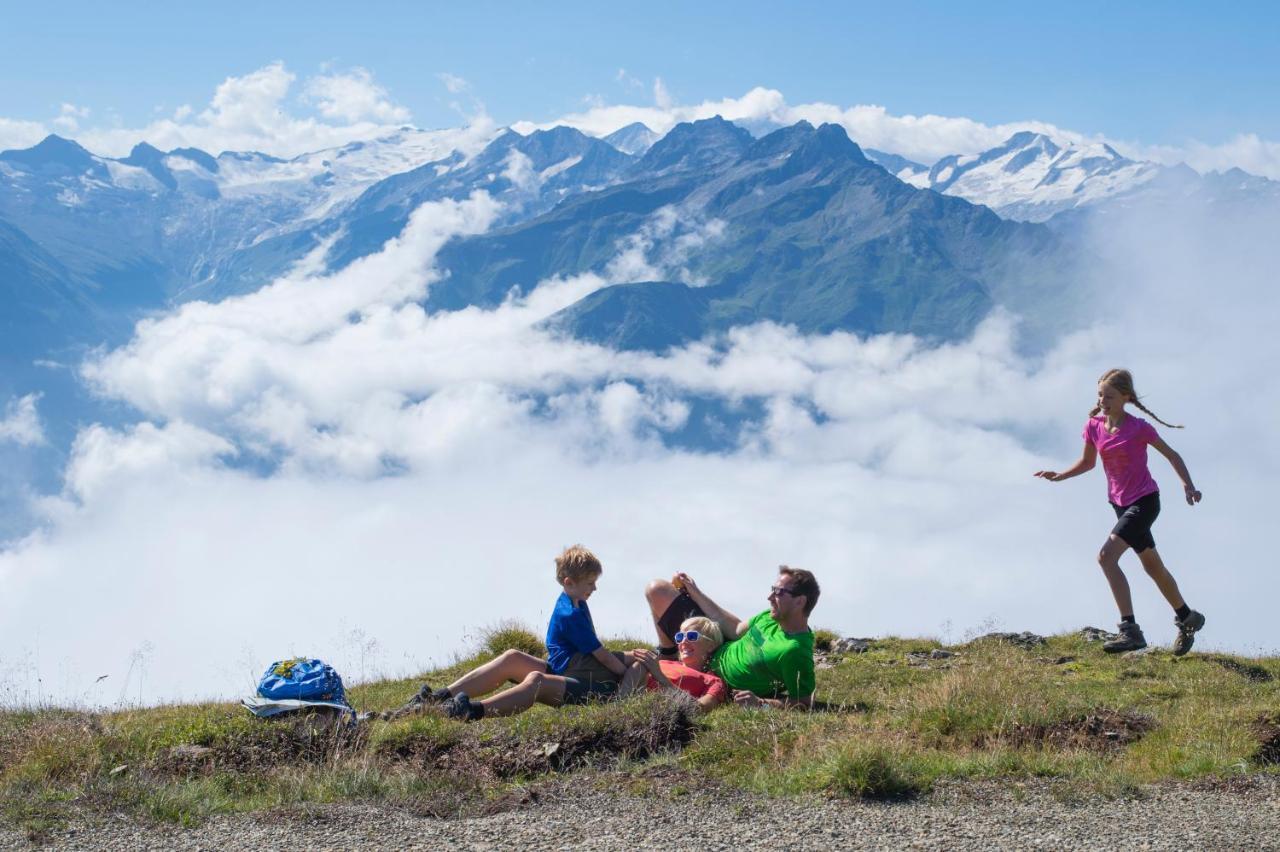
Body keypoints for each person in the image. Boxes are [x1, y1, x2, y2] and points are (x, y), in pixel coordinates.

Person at [1035, 368, 1205, 655]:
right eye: (1100, 394)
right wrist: (1060, 475)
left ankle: (1130, 631)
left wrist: (1188, 486)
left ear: (1126, 397)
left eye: (1109, 395)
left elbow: (1172, 455)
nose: (1103, 400)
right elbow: (1088, 463)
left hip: (1145, 502)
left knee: (1106, 557)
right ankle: (1188, 618)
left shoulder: (1139, 428)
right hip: (1119, 504)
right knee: (1152, 567)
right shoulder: (1093, 426)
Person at [402, 544, 633, 721]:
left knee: (536, 680)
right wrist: (624, 672)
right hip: (571, 672)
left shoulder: (575, 602)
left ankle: (468, 711)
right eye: (590, 583)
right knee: (512, 657)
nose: (594, 588)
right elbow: (601, 654)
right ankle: (438, 698)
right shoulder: (570, 612)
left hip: (584, 681)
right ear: (569, 582)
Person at [643, 565, 819, 710]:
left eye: (779, 593)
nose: (770, 597)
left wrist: (761, 703)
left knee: (641, 676)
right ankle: (668, 653)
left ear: (800, 602)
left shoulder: (795, 651)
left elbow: (804, 702)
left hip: (716, 681)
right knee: (656, 589)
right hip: (713, 643)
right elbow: (735, 629)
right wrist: (695, 591)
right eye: (773, 590)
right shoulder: (770, 616)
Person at [619, 616, 729, 713]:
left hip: (650, 705)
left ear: (710, 645)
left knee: (643, 664)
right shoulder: (663, 662)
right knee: (642, 660)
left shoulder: (713, 681)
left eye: (691, 636)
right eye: (680, 637)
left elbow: (698, 708)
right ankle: (617, 702)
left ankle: (617, 707)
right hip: (624, 685)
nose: (683, 642)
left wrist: (660, 677)